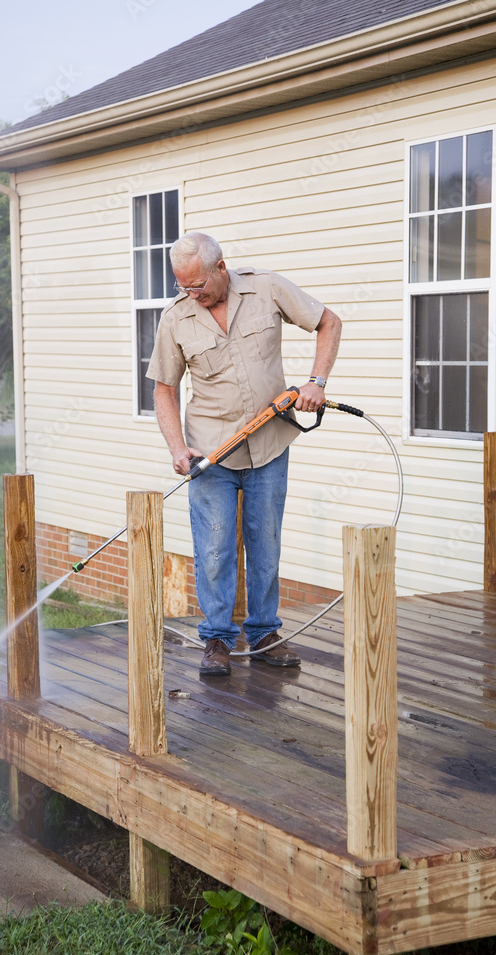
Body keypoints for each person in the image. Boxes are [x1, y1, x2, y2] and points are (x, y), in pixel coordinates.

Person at [147, 232, 342, 677]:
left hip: (270, 441)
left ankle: (264, 634)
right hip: (210, 453)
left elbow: (329, 322)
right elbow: (164, 389)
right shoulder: (176, 318)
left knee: (265, 542)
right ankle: (217, 639)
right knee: (214, 547)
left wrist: (317, 382)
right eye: (182, 287)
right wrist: (177, 449)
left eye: (197, 285)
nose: (191, 295)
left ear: (221, 267)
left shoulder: (266, 288)